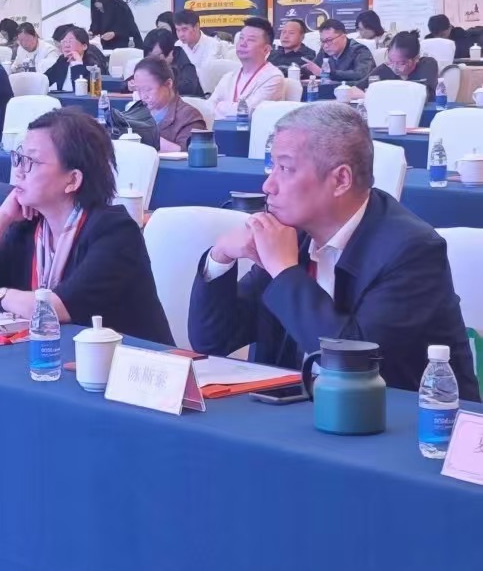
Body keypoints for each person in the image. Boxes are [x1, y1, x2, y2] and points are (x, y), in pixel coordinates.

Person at [190, 103, 478, 398]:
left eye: (285, 169)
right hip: (296, 410)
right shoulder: (294, 233)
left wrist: (284, 271)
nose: (268, 185)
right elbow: (213, 341)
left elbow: (356, 367)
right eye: (272, 166)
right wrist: (220, 257)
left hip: (401, 418)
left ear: (340, 180)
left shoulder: (411, 250)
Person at [0, 109, 173, 344]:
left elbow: (54, 308)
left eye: (31, 161)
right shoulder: (30, 226)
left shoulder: (115, 232)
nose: (18, 171)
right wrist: (1, 217)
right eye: (19, 158)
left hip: (132, 361)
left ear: (72, 180)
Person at [209, 18, 285, 119]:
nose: (242, 43)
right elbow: (209, 108)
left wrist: (220, 106)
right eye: (241, 38)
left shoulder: (273, 78)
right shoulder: (229, 77)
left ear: (266, 49)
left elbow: (249, 113)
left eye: (251, 40)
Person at [126, 56, 206, 151]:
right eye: (139, 90)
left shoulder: (189, 116)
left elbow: (190, 153)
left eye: (148, 89)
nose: (143, 96)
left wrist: (146, 138)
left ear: (168, 84)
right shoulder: (136, 112)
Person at [355, 29, 438, 104]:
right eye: (390, 60)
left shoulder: (427, 65)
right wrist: (369, 96)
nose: (394, 67)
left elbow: (423, 95)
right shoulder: (386, 68)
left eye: (401, 63)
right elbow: (355, 90)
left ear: (416, 58)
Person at [307, 19, 374, 87]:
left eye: (329, 40)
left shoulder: (360, 50)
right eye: (322, 41)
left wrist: (326, 73)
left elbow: (360, 74)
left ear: (343, 37)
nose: (325, 45)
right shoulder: (324, 50)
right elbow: (315, 69)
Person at [140, 28, 203, 97]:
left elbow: (188, 88)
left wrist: (159, 87)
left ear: (171, 53)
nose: (152, 61)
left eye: (156, 56)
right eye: (149, 56)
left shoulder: (184, 64)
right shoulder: (148, 63)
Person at [43, 26, 106, 93]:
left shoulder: (92, 64)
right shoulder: (62, 60)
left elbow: (82, 91)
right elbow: (45, 79)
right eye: (64, 42)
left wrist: (77, 64)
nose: (66, 45)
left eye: (70, 42)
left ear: (84, 46)